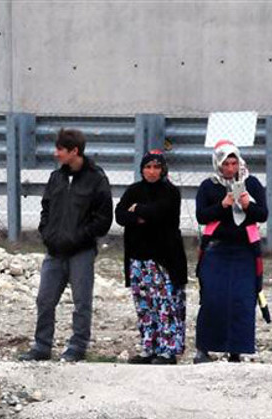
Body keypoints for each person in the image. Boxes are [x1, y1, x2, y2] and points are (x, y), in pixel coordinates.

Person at [19, 128, 113, 363]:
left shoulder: (96, 179)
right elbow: (46, 208)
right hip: (54, 251)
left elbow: (103, 219)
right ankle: (42, 346)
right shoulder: (56, 178)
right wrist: (47, 233)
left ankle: (77, 347)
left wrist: (79, 237)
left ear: (74, 151)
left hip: (80, 251)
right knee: (45, 299)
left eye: (60, 149)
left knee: (81, 301)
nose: (56, 153)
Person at [194, 140, 268, 364]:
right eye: (226, 163)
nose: (230, 169)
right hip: (217, 250)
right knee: (212, 298)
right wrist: (223, 205)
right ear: (218, 163)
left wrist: (247, 206)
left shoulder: (251, 184)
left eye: (234, 163)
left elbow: (262, 214)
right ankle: (204, 348)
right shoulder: (209, 186)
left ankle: (236, 349)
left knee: (242, 299)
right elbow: (202, 216)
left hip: (244, 251)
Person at [115, 150, 187, 365]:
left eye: (156, 167)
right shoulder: (134, 190)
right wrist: (139, 216)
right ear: (142, 169)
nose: (152, 171)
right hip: (139, 259)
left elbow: (161, 212)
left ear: (163, 170)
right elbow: (120, 215)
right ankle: (150, 347)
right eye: (148, 167)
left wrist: (138, 210)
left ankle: (168, 350)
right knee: (145, 305)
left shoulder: (171, 192)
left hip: (163, 260)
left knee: (166, 305)